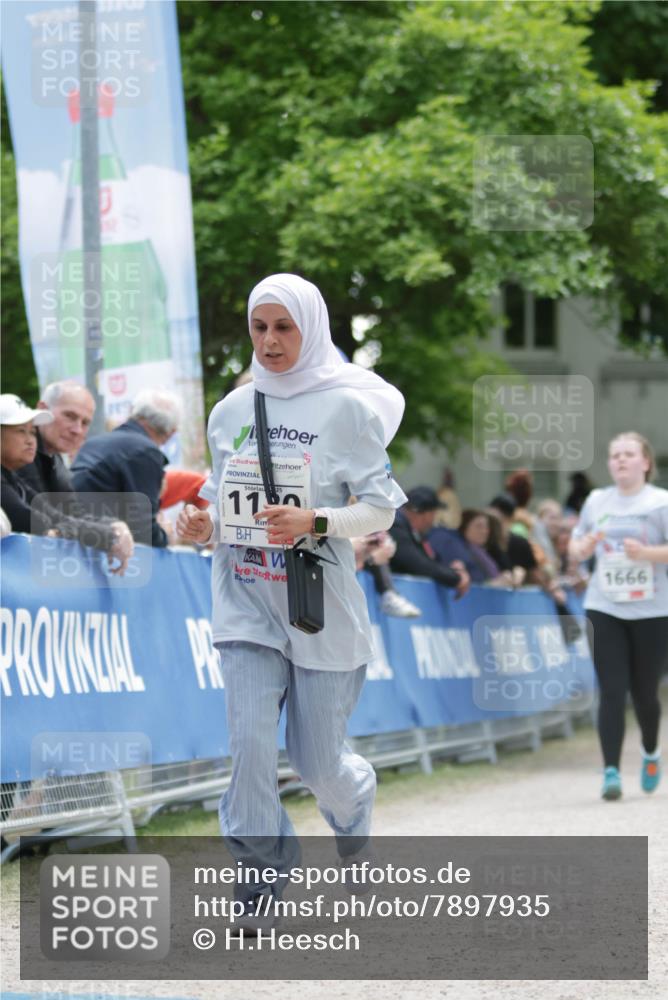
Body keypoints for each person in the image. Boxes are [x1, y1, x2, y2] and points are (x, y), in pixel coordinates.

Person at [177, 273, 407, 927]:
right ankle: (258, 879)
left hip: (319, 605)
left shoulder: (347, 409)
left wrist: (317, 522)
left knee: (317, 763)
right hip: (245, 598)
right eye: (260, 327)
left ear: (311, 327)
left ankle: (353, 805)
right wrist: (201, 527)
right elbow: (223, 506)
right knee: (248, 742)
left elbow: (380, 509)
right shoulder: (229, 413)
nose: (271, 341)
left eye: (284, 327)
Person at [569, 432, 668, 801]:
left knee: (645, 694)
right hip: (604, 605)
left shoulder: (660, 502)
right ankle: (610, 770)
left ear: (645, 462)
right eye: (614, 456)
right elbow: (576, 548)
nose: (620, 461)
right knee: (612, 690)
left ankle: (651, 752)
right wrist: (585, 545)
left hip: (653, 609)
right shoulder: (597, 501)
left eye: (628, 454)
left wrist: (646, 553)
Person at [0, 394, 132, 573]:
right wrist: (99, 533)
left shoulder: (16, 476)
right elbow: (35, 521)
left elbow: (56, 516)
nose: (30, 440)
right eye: (21, 431)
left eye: (32, 432)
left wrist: (111, 528)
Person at [72, 388, 181, 547]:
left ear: (133, 412)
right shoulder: (145, 452)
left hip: (75, 536)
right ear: (171, 432)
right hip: (101, 547)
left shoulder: (93, 443)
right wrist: (165, 536)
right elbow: (144, 530)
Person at [389, 486, 470, 598]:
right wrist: (456, 578)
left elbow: (430, 561)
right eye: (434, 513)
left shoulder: (413, 533)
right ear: (427, 515)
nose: (433, 520)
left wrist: (453, 570)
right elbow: (418, 564)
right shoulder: (395, 525)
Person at [429, 508, 506, 585]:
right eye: (479, 526)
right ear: (465, 526)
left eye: (487, 527)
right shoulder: (454, 547)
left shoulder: (483, 553)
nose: (485, 531)